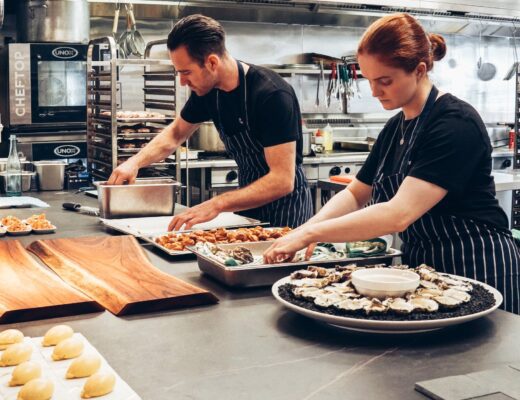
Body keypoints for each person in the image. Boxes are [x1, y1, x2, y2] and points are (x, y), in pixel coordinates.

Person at [264, 13, 520, 314]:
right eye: (370, 80)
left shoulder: (454, 123)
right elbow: (356, 194)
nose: (374, 91)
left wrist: (312, 235)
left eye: (384, 81)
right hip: (425, 270)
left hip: (478, 264)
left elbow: (398, 214)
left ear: (419, 70)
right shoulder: (396, 127)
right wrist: (303, 230)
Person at [108, 14, 313, 230]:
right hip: (247, 206)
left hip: (286, 213)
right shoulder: (208, 92)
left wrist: (217, 203)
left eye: (186, 72)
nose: (183, 81)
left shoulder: (271, 94)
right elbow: (175, 133)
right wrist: (134, 163)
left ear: (212, 62)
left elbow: (282, 180)